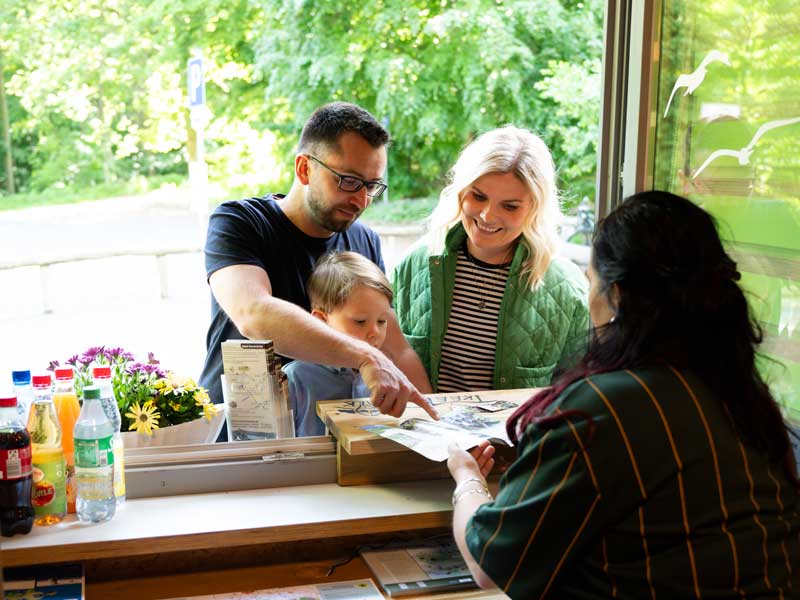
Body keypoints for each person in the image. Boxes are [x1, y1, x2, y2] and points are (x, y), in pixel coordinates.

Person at [446, 191, 800, 598]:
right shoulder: (741, 395)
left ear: (615, 294)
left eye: (591, 278)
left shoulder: (599, 411)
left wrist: (467, 478)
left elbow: (488, 563)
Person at [198, 102, 436, 428]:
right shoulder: (239, 222)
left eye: (371, 186)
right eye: (349, 181)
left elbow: (396, 348)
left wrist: (437, 423)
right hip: (237, 440)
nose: (361, 200)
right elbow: (253, 314)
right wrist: (366, 355)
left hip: (333, 440)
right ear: (304, 168)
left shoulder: (365, 241)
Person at [393, 125, 589, 392]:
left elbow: (575, 392)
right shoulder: (414, 265)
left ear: (535, 208)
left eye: (509, 206)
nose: (487, 215)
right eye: (478, 196)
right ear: (460, 191)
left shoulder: (566, 288)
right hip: (424, 432)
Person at [283, 251, 392, 437]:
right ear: (321, 320)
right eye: (360, 321)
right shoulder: (294, 378)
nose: (375, 332)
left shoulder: (387, 376)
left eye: (382, 321)